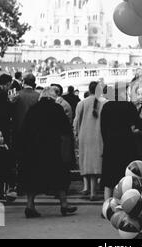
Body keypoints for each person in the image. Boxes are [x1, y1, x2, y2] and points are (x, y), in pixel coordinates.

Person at [18, 87, 77, 218]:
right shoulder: (57, 109)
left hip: (33, 150)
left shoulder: (33, 109)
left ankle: (30, 206)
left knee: (32, 178)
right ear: (52, 97)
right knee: (59, 176)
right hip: (53, 149)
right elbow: (66, 130)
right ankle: (64, 204)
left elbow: (24, 131)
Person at [100, 82, 142, 200]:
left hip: (110, 145)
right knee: (127, 176)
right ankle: (125, 202)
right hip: (126, 144)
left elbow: (102, 129)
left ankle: (107, 205)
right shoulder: (129, 106)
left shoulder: (106, 106)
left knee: (109, 177)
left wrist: (106, 143)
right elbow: (139, 124)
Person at [73, 82, 106, 201]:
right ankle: (94, 190)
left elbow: (76, 121)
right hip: (99, 136)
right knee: (97, 163)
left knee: (87, 162)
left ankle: (89, 189)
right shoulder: (104, 103)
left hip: (85, 136)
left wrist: (76, 135)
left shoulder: (81, 103)